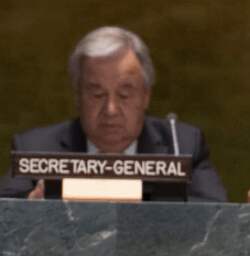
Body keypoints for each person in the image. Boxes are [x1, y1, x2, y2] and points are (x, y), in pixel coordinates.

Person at [0, 26, 226, 202]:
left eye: (125, 95)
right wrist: (42, 209)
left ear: (145, 96)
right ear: (78, 95)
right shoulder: (35, 149)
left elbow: (213, 217)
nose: (110, 110)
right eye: (97, 94)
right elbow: (7, 219)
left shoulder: (182, 146)